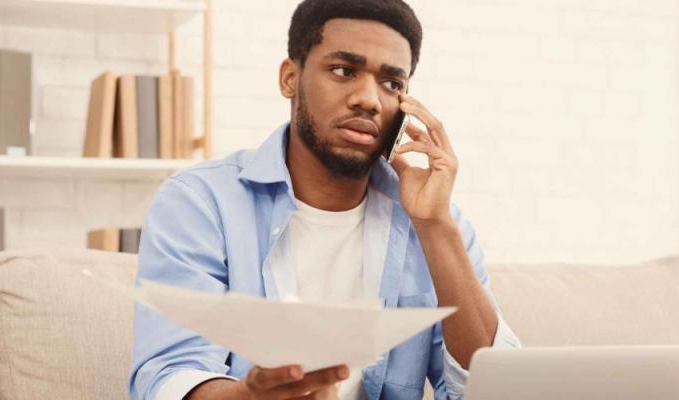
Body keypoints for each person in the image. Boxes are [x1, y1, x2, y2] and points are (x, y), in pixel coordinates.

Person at [129, 1, 520, 399]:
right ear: (289, 78)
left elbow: (494, 389)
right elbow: (172, 376)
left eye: (392, 83)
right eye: (343, 71)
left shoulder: (434, 221)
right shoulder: (202, 203)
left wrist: (436, 227)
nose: (369, 99)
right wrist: (252, 396)